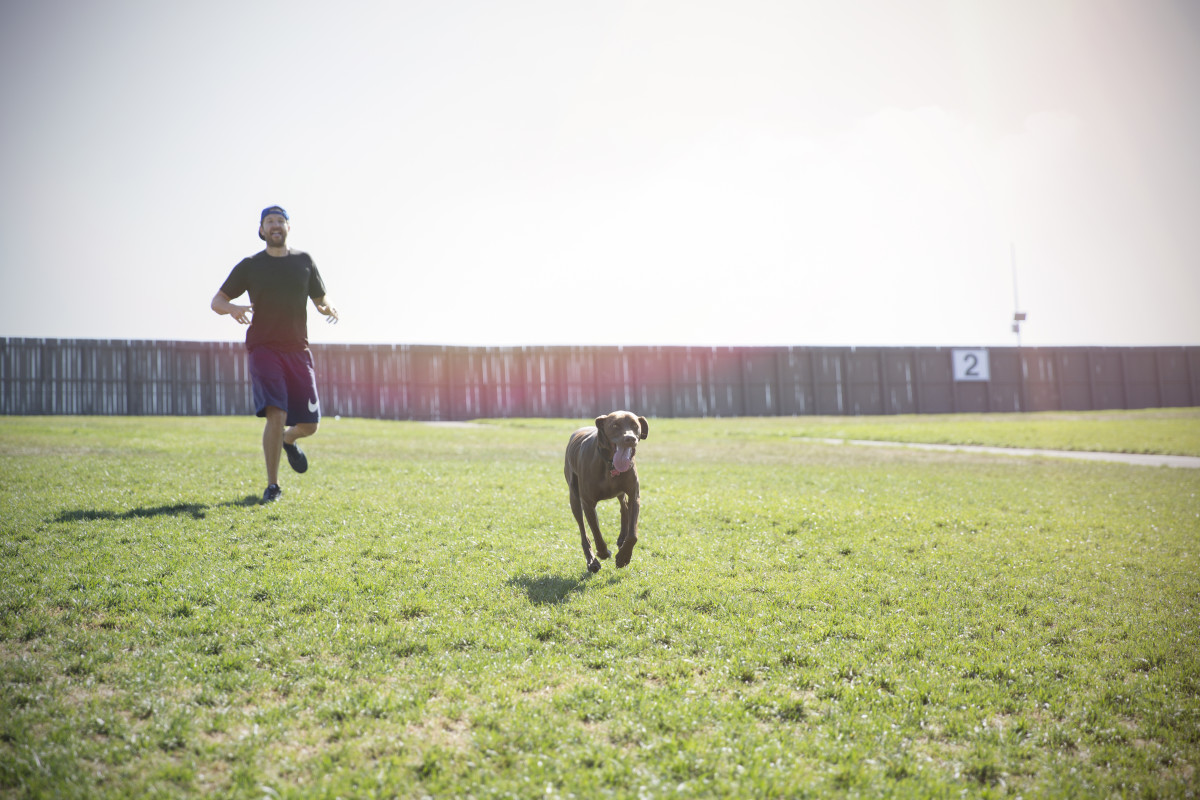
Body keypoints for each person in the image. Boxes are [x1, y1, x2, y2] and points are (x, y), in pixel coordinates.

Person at [211, 205, 339, 503]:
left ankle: (288, 439)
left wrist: (328, 306)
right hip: (264, 348)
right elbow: (217, 300)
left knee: (310, 425)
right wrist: (232, 309)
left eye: (280, 220)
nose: (275, 225)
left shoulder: (304, 261)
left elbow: (321, 295)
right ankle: (273, 486)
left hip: (298, 349)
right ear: (261, 230)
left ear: (288, 228)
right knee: (277, 413)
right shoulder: (251, 265)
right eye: (269, 221)